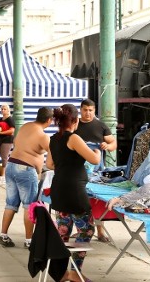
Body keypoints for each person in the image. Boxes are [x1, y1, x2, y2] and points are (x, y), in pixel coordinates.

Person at [46, 104, 101, 282]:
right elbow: (93, 159)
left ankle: (60, 273)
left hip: (59, 190)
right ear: (76, 121)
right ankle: (75, 271)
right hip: (74, 191)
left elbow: (49, 165)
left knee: (63, 232)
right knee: (86, 230)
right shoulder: (74, 138)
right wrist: (97, 152)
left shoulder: (53, 138)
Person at [0, 107, 52, 248]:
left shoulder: (26, 126)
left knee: (10, 203)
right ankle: (29, 241)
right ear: (49, 120)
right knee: (29, 206)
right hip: (26, 170)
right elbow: (52, 159)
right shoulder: (43, 136)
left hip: (11, 166)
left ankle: (3, 235)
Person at [74, 98, 118, 243]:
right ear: (81, 110)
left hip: (97, 169)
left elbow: (113, 143)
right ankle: (80, 230)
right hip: (77, 168)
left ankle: (100, 232)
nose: (88, 113)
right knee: (79, 198)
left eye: (91, 110)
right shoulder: (75, 124)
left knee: (97, 200)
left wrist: (107, 145)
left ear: (94, 110)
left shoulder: (101, 125)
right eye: (85, 110)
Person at [0, 104, 16, 184]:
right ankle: (5, 175)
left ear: (8, 110)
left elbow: (12, 130)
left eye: (5, 109)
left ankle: (3, 176)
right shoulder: (0, 119)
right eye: (2, 109)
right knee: (2, 157)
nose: (3, 110)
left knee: (4, 157)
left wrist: (2, 133)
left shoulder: (10, 119)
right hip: (0, 139)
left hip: (7, 140)